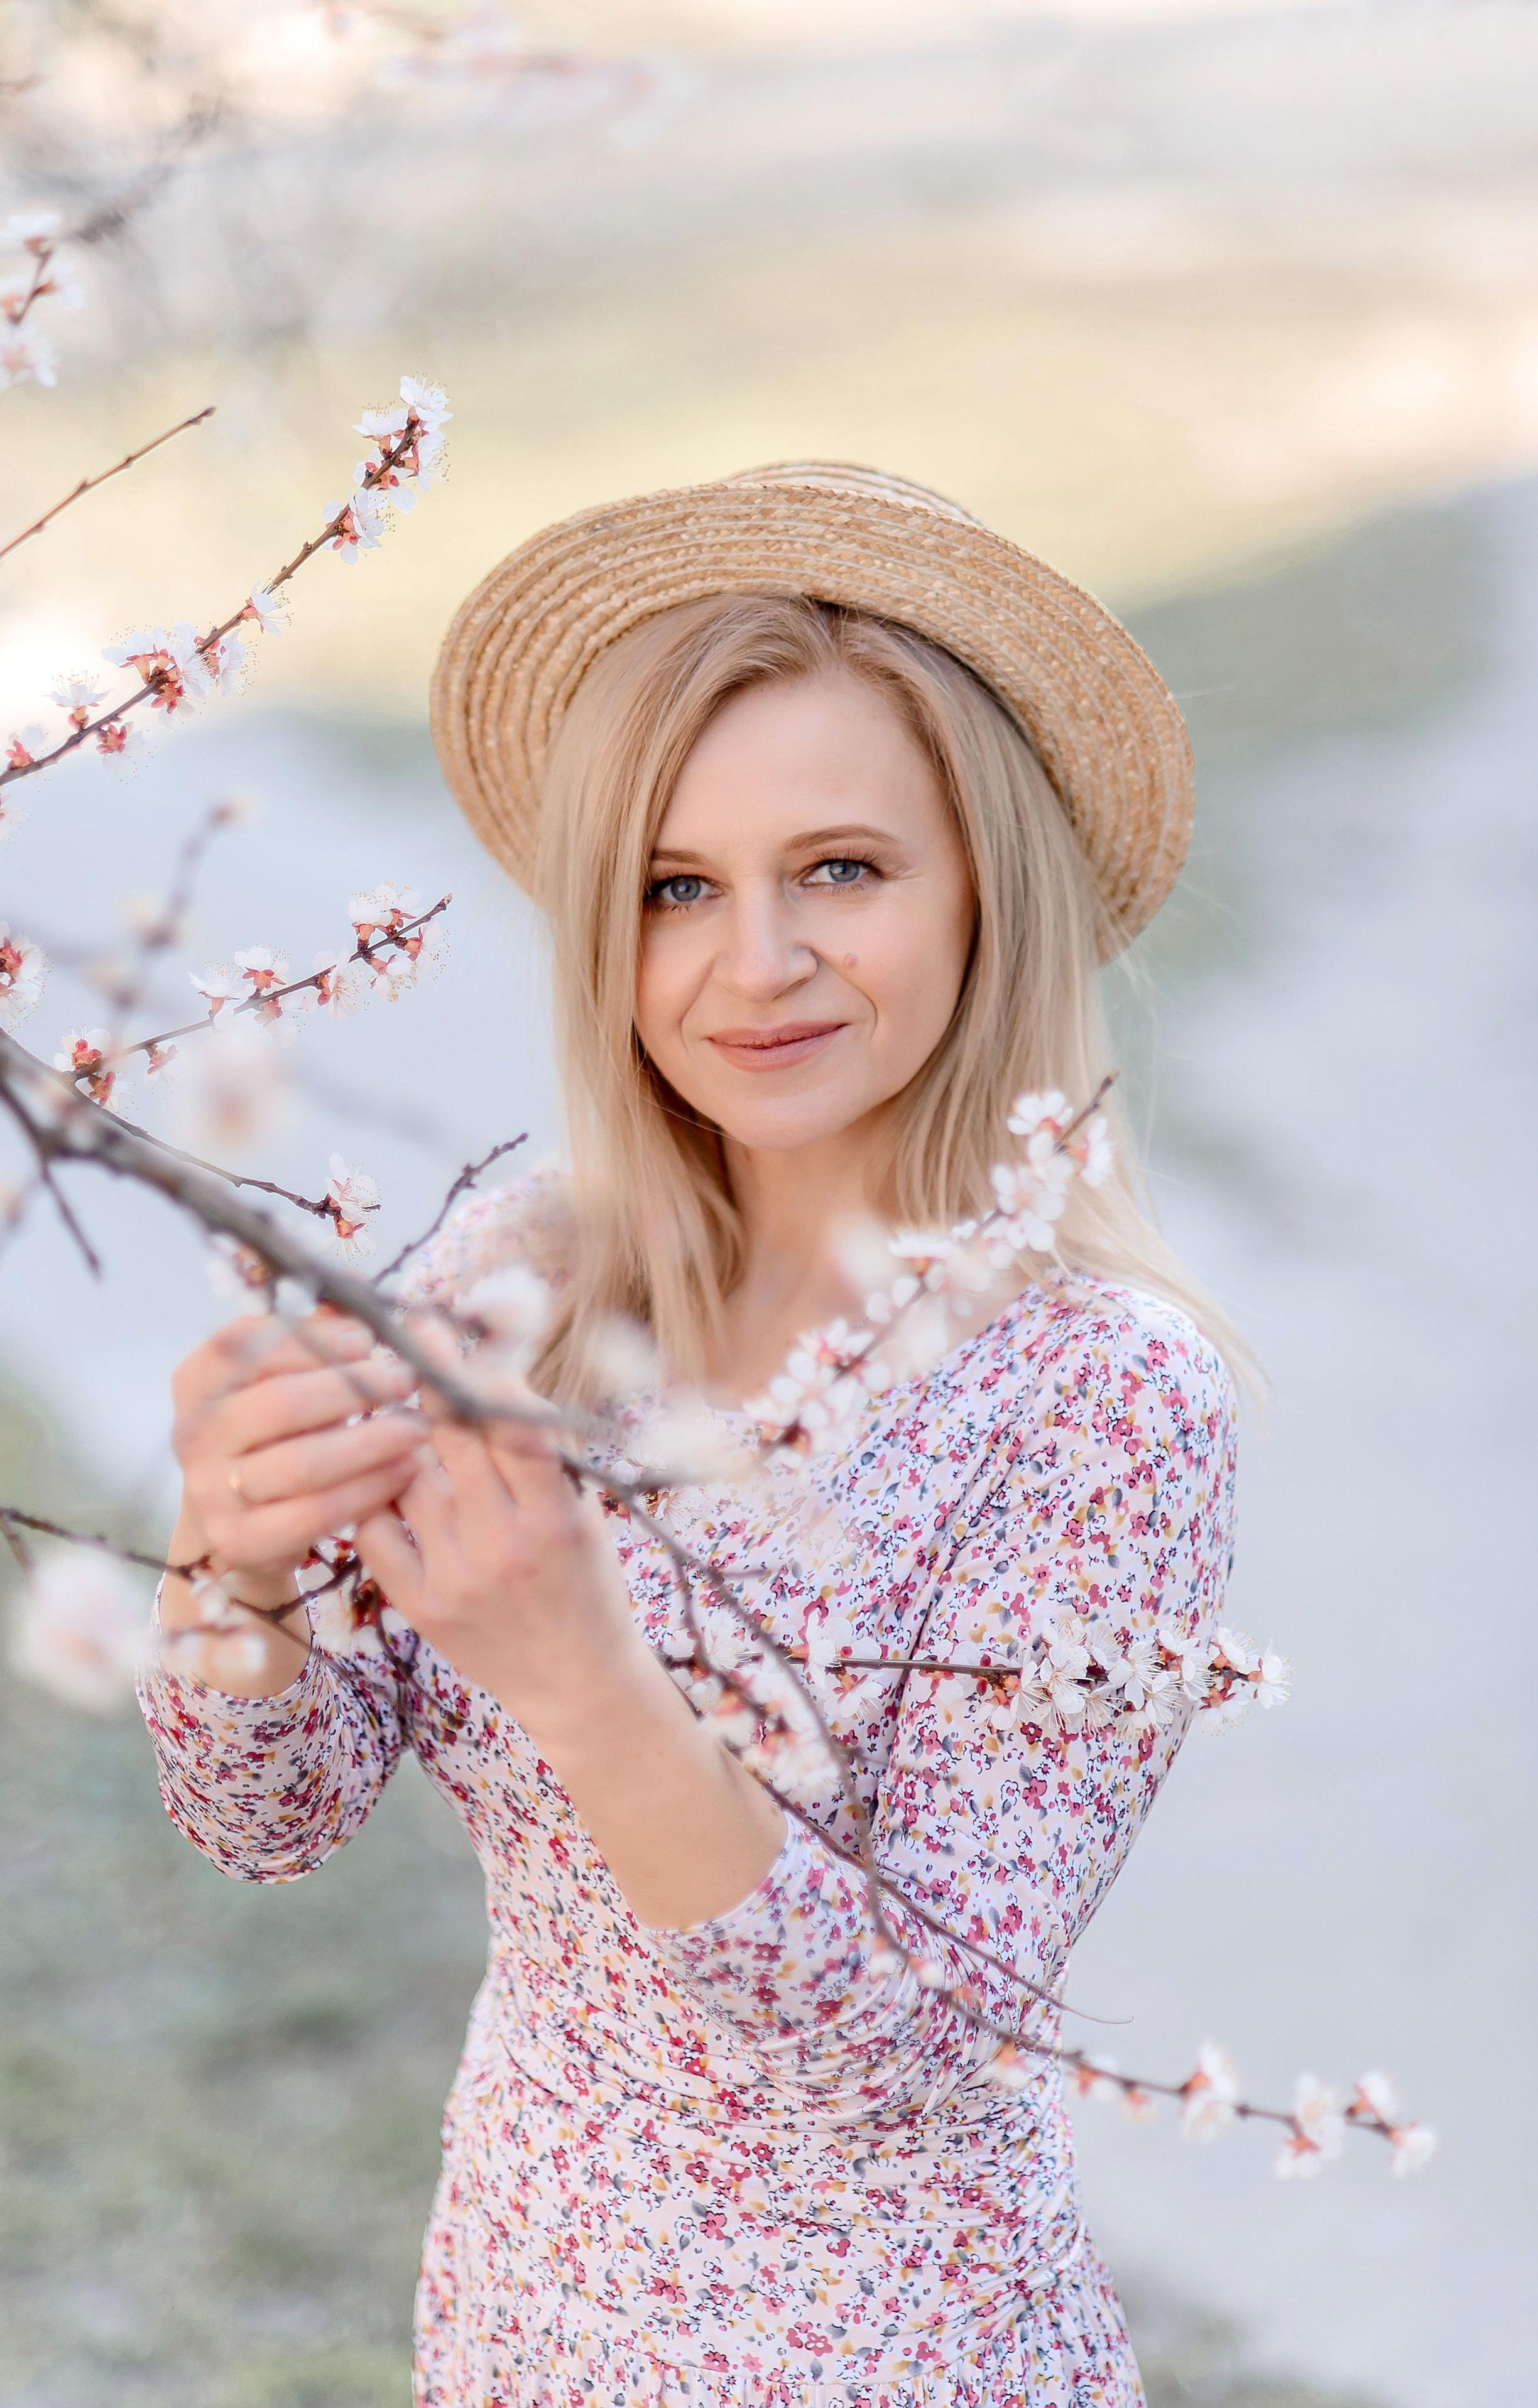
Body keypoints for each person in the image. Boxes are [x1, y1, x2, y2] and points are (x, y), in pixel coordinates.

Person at [138, 464, 1241, 2407]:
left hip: (895, 2357)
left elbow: (906, 2033)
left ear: (986, 878)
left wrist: (589, 1683)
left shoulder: (1102, 1392)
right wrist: (230, 1567)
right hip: (519, 2326)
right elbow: (266, 1820)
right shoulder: (528, 1276)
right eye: (676, 887)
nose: (756, 963)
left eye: (841, 867)